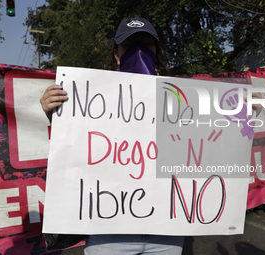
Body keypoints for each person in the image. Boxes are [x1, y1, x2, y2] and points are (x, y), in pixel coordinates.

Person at [40, 17, 184, 255]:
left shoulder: (179, 97)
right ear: (117, 54)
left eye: (145, 44)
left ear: (156, 51)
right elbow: (75, 145)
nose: (138, 51)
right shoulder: (92, 99)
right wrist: (54, 114)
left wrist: (239, 116)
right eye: (129, 45)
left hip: (165, 230)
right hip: (109, 230)